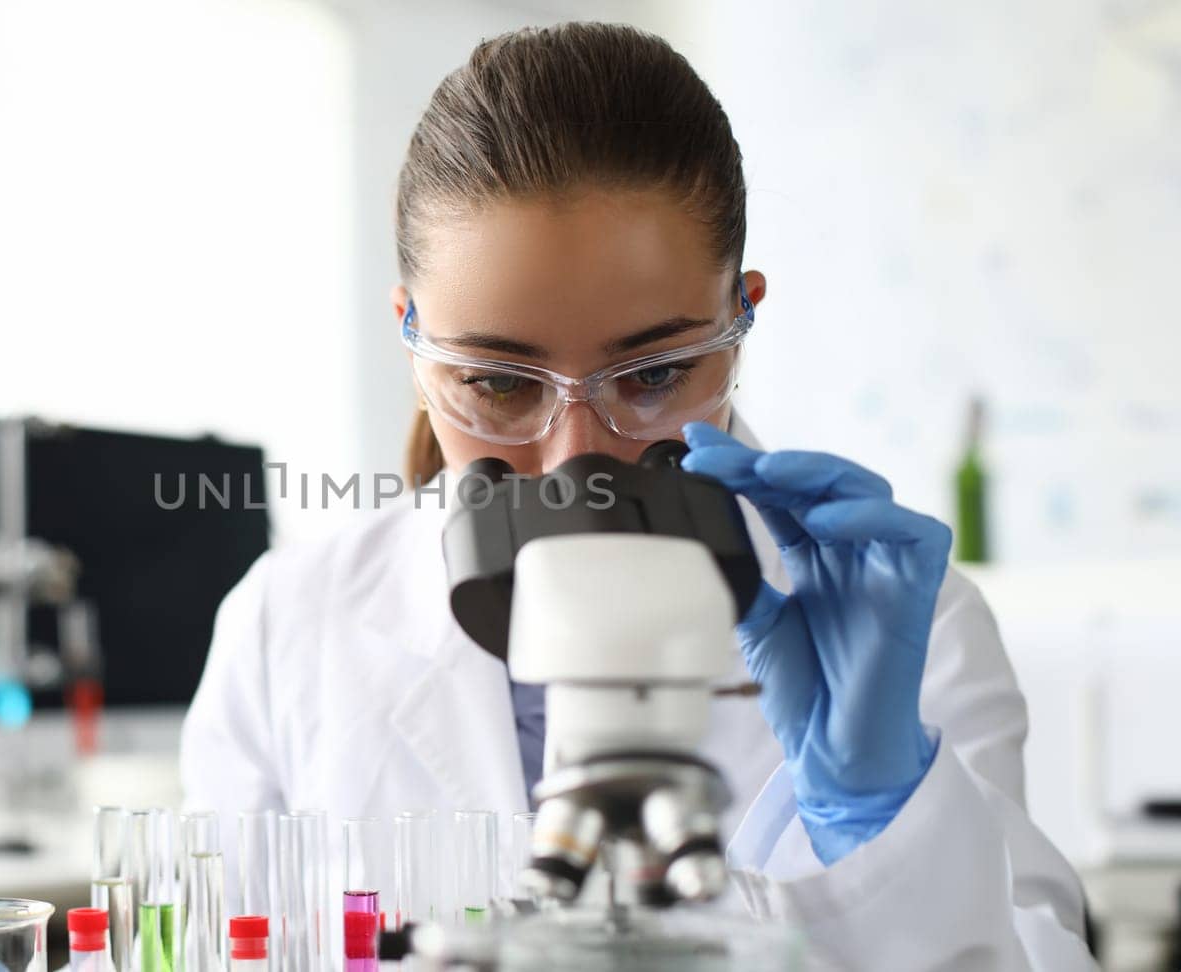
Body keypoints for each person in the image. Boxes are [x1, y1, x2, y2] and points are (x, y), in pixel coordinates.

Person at [178, 22, 1096, 970]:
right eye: (500, 384)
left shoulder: (907, 627)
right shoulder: (288, 627)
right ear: (412, 334)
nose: (581, 459)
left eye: (652, 375)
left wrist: (883, 815)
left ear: (739, 322)